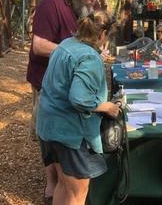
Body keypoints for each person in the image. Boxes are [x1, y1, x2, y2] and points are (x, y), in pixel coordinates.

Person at [25, 0, 111, 204]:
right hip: (49, 81)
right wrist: (80, 54)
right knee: (61, 156)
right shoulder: (51, 3)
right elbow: (39, 45)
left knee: (62, 160)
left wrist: (90, 51)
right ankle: (50, 185)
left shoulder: (83, 6)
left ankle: (57, 187)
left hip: (68, 83)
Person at [37, 11, 120, 205]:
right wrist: (107, 106)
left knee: (63, 185)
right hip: (71, 133)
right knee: (77, 193)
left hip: (49, 126)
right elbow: (80, 99)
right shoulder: (89, 57)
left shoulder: (66, 44)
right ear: (103, 34)